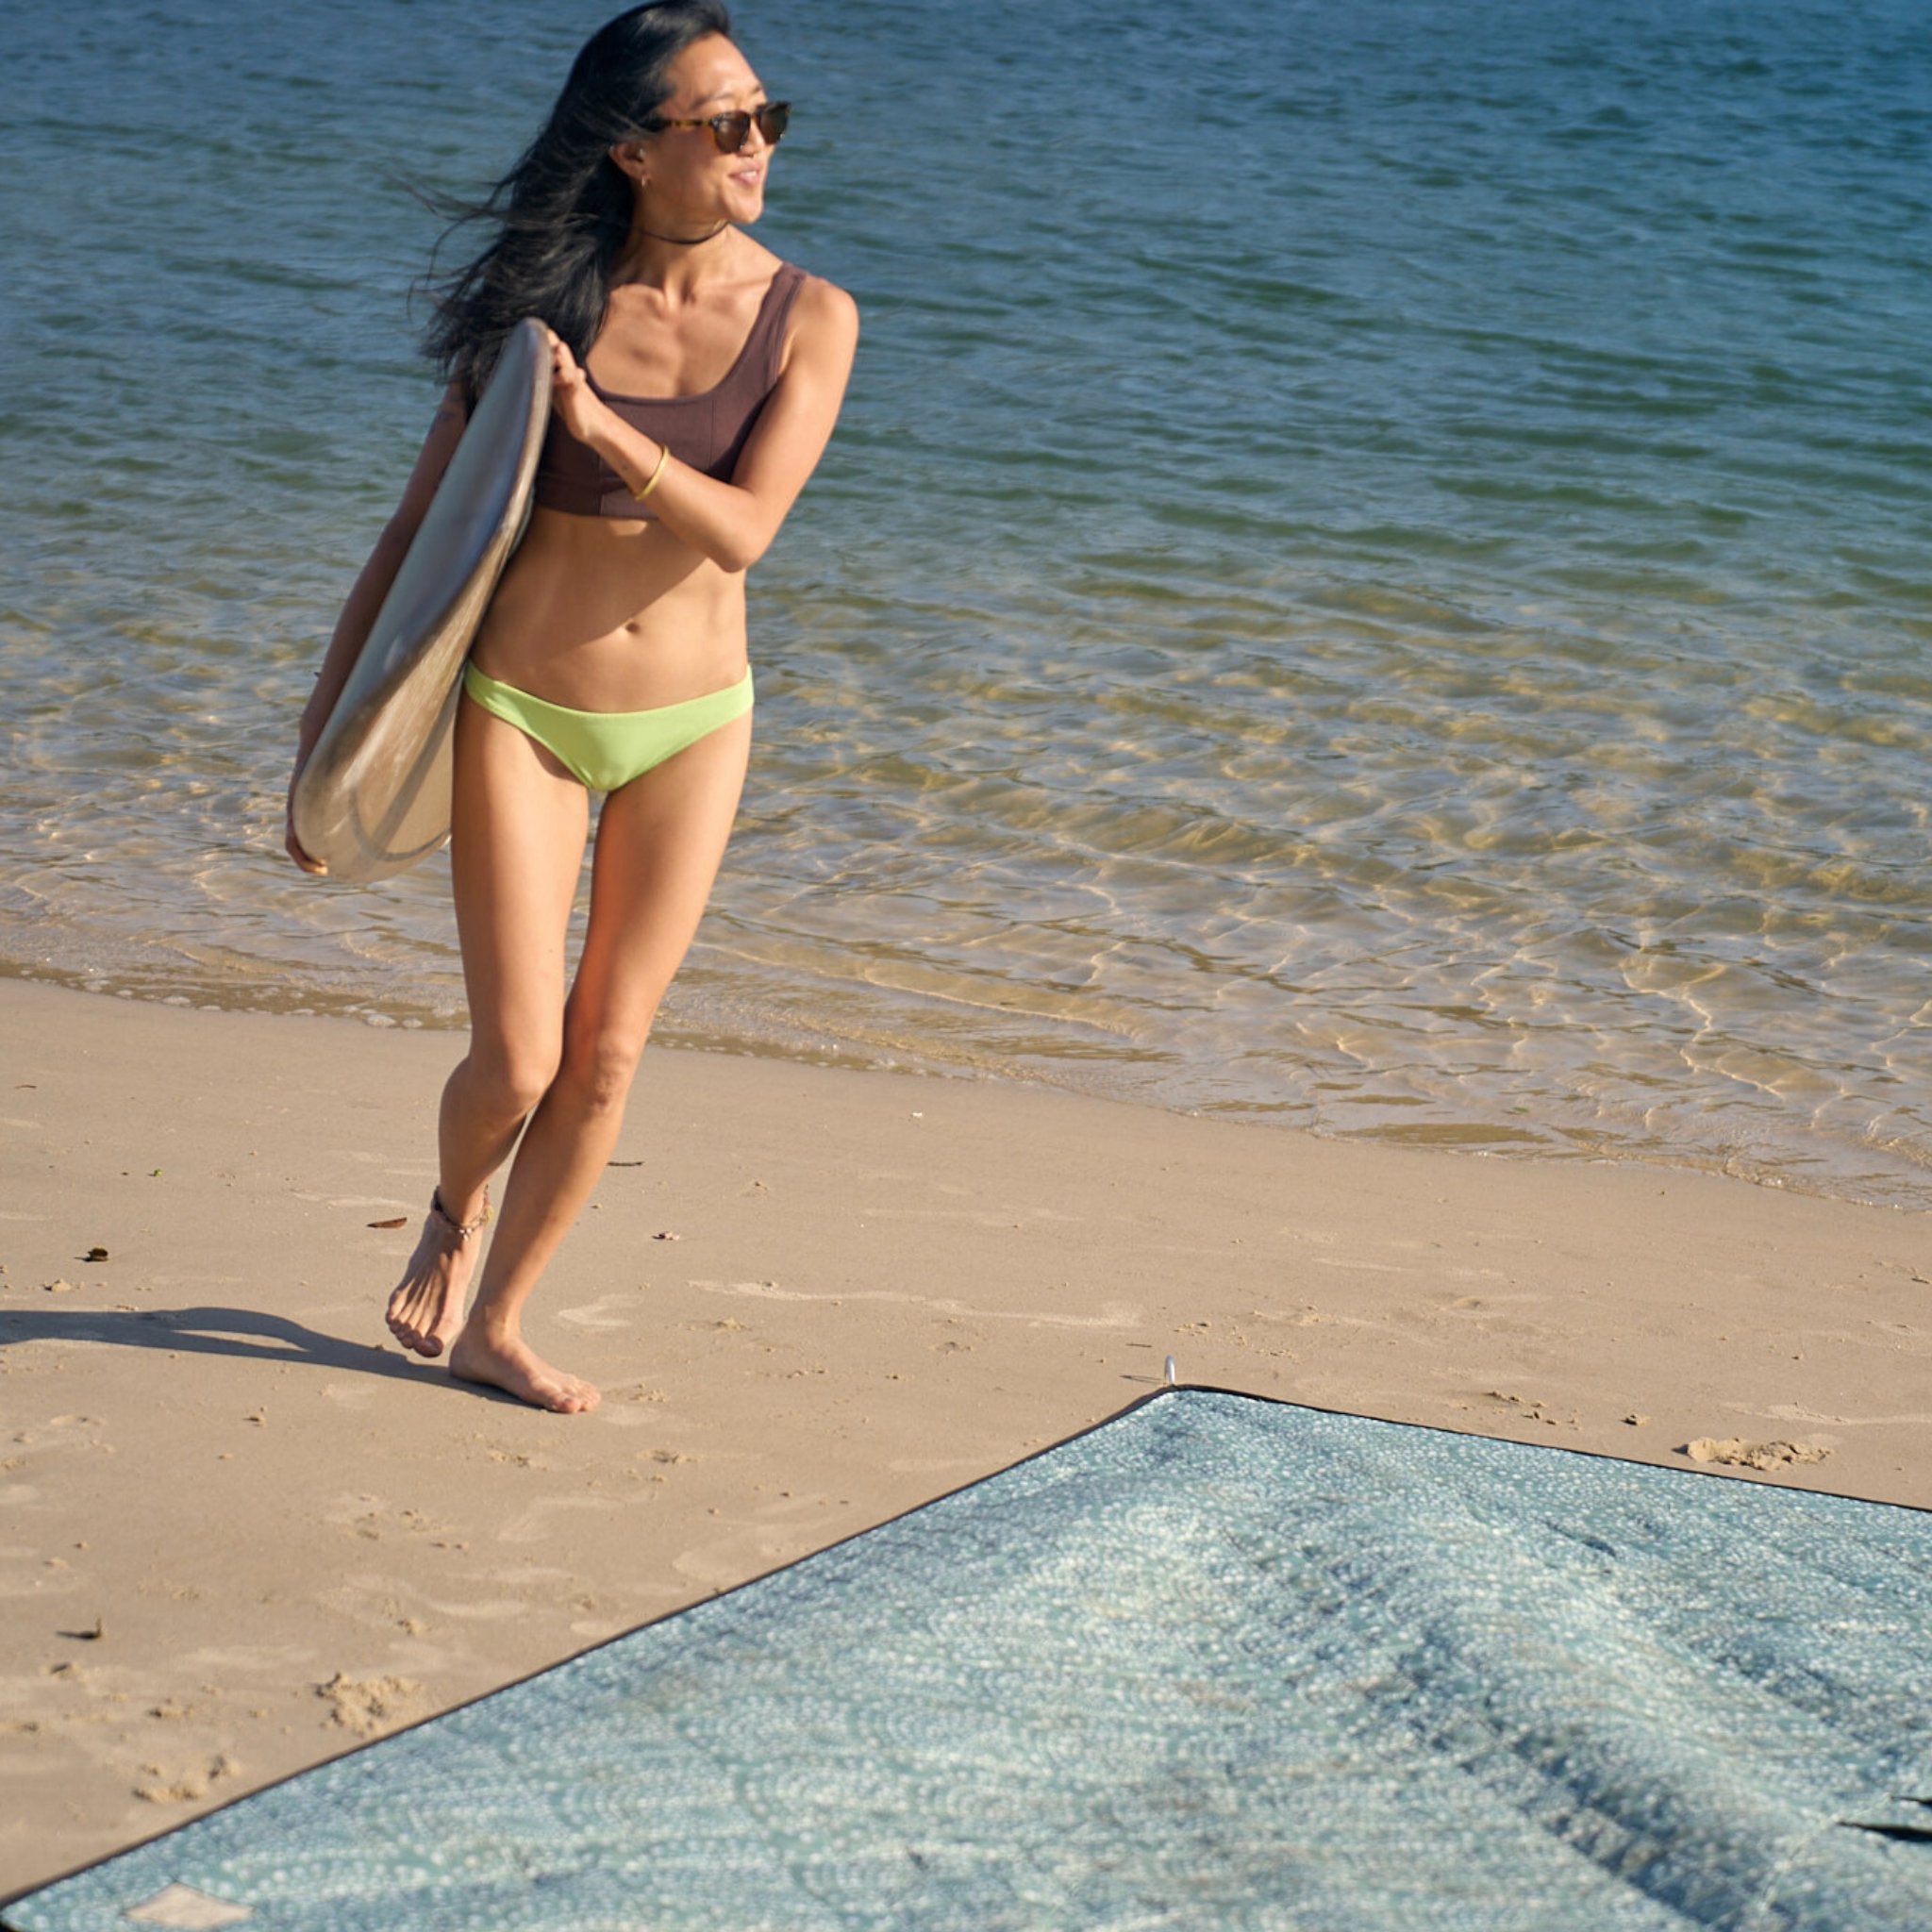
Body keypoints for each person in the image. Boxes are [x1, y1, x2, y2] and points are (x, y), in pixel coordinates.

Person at [284, 0, 858, 1414]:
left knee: (604, 1061)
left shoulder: (810, 319)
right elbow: (415, 537)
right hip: (528, 711)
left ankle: (499, 1324)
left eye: (765, 118)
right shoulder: (541, 322)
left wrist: (604, 431)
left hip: (694, 723)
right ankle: (451, 1209)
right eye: (724, 123)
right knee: (519, 1057)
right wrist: (320, 749)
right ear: (630, 151)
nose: (755, 146)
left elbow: (746, 532)